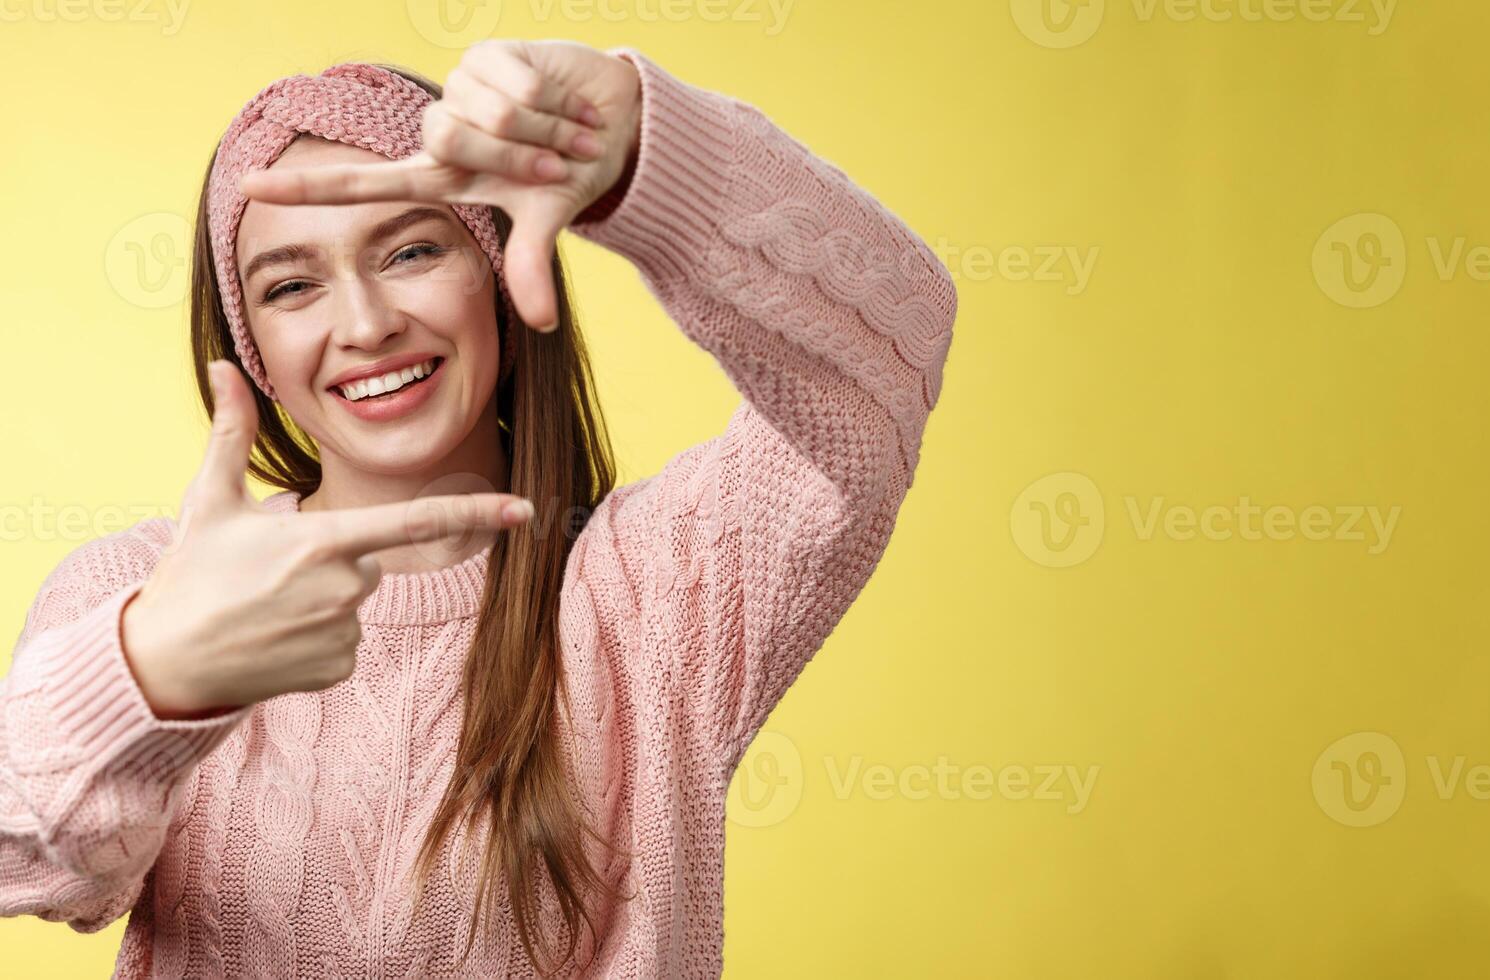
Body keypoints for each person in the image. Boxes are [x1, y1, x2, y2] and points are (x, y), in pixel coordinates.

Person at [0, 39, 956, 978]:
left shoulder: (663, 586)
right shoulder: (140, 594)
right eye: (292, 286)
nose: (367, 324)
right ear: (253, 350)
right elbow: (29, 872)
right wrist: (151, 673)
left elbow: (885, 357)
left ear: (495, 270)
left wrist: (650, 159)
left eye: (411, 248)